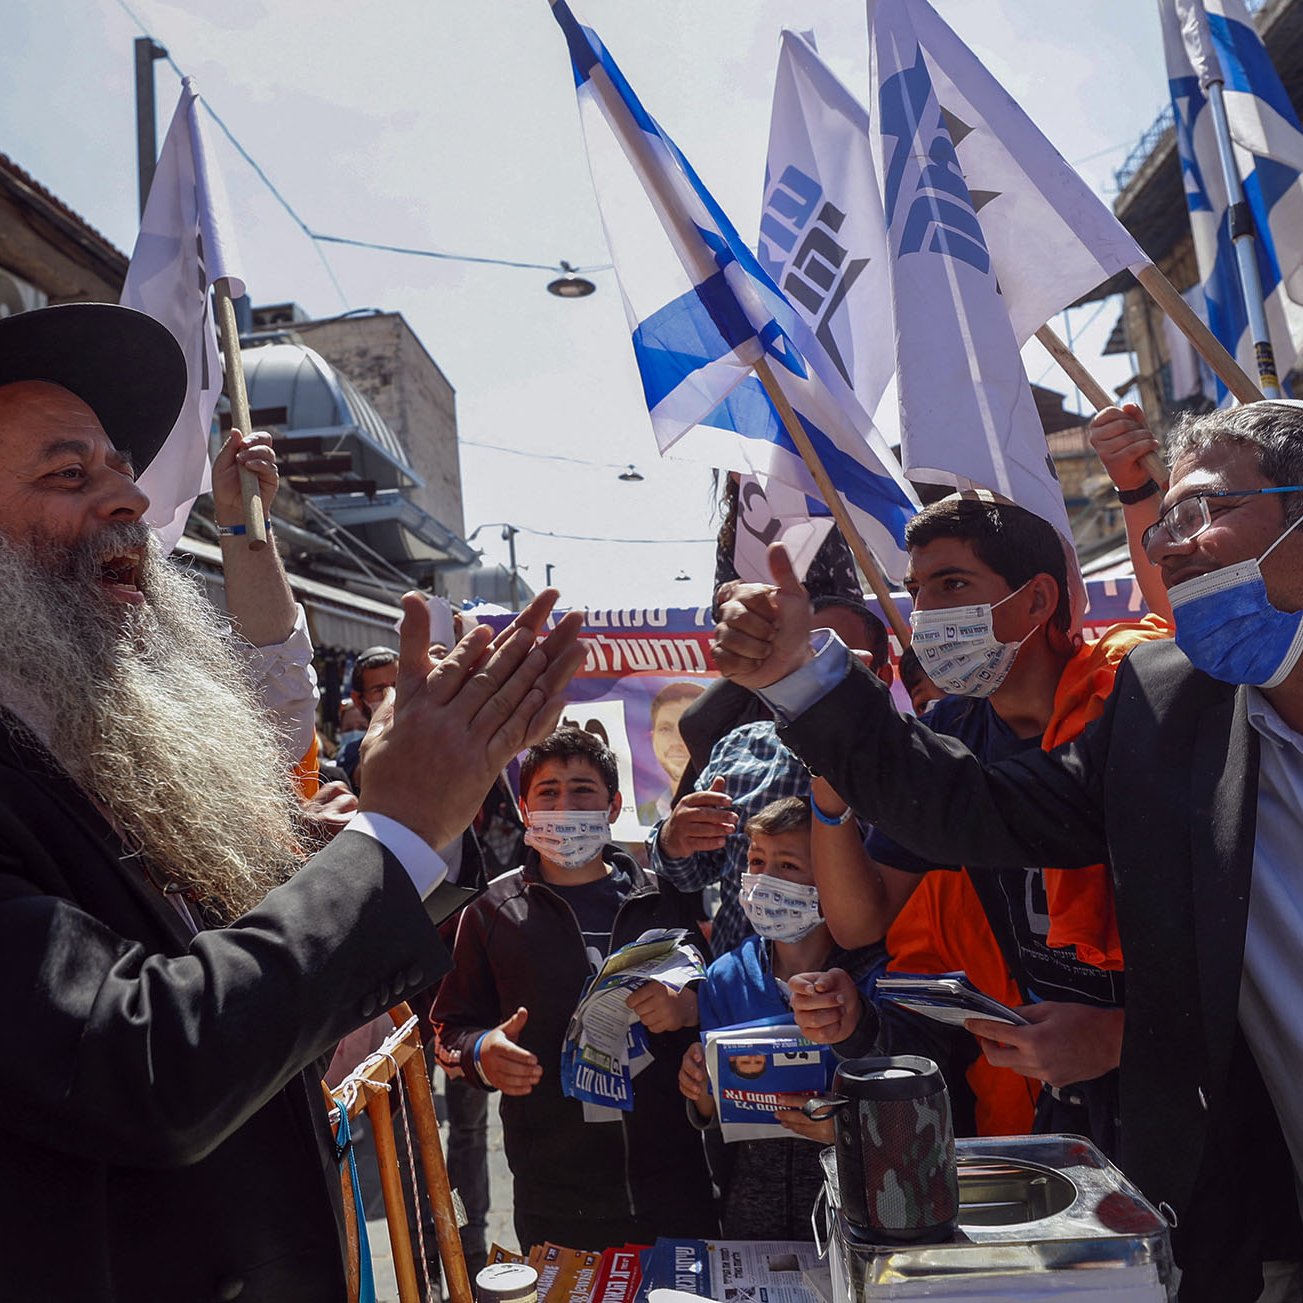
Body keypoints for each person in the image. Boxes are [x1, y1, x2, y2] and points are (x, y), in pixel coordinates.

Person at [0, 302, 586, 1302]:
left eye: (120, 469)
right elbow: (137, 1057)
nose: (130, 501)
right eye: (70, 474)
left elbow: (225, 976)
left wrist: (364, 836)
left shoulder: (84, 733)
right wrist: (391, 840)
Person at [711, 401, 1303, 1302]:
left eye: (1200, 513)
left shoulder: (1116, 681)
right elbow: (971, 810)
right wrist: (806, 675)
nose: (1169, 546)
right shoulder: (1165, 708)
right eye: (1162, 520)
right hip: (1249, 1208)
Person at [792, 496, 1162, 1157]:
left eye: (952, 584)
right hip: (1066, 1097)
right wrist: (829, 787)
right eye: (915, 590)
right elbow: (859, 920)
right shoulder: (950, 733)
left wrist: (1116, 1034)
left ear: (1037, 599)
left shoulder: (1131, 699)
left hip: (1192, 1081)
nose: (926, 611)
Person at [431, 727, 717, 1254]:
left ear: (613, 807)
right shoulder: (491, 912)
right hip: (554, 1195)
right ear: (523, 808)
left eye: (583, 790)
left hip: (675, 1181)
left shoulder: (662, 900)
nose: (565, 804)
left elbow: (716, 1000)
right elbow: (449, 1028)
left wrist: (690, 1007)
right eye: (548, 791)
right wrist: (481, 1052)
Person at [678, 797, 885, 1239]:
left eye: (788, 866)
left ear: (836, 877)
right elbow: (713, 1115)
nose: (765, 880)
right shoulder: (725, 977)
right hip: (751, 1220)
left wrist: (843, 1132)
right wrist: (700, 1092)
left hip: (857, 1214)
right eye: (756, 861)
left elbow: (906, 1105)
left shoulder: (876, 979)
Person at [650, 597, 893, 958]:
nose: (811, 671)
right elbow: (690, 876)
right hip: (740, 995)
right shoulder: (739, 748)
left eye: (834, 656)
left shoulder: (901, 765)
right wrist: (675, 840)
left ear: (881, 677)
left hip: (856, 996)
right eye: (801, 655)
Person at [637, 680, 705, 823]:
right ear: (652, 738)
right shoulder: (643, 814)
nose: (676, 741)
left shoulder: (733, 808)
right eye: (665, 729)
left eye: (688, 728)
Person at [337, 645, 399, 788]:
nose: (392, 694)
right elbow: (368, 776)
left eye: (397, 685)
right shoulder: (351, 753)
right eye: (379, 689)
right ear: (358, 700)